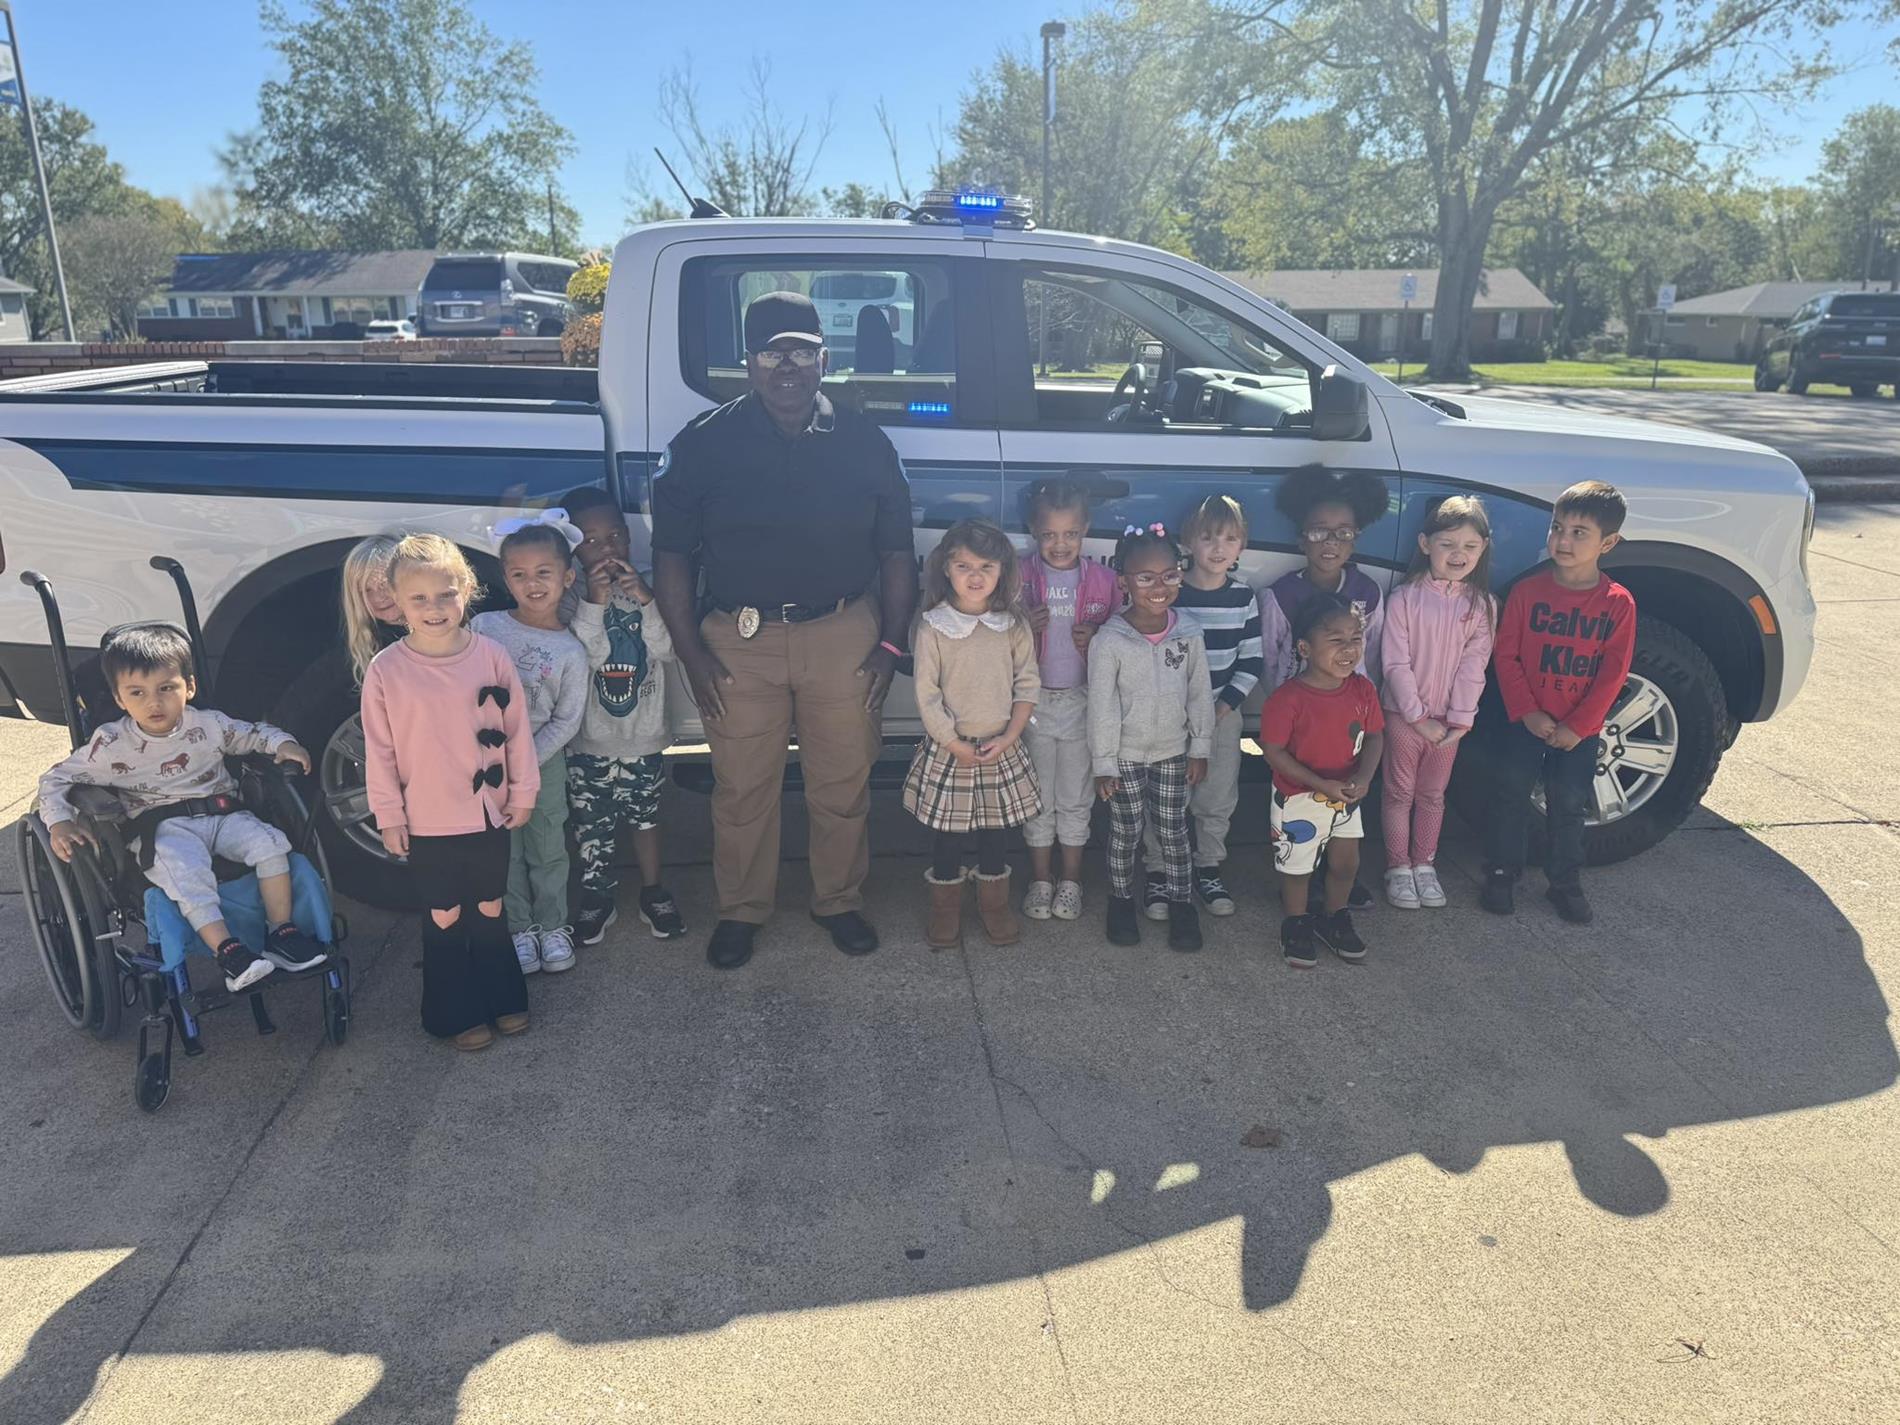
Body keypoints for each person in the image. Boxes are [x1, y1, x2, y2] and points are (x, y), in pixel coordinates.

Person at [651, 290, 915, 970]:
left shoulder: (864, 441)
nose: (788, 365)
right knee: (741, 789)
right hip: (738, 641)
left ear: (824, 359)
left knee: (843, 781)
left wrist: (890, 644)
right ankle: (741, 909)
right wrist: (689, 651)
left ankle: (840, 900)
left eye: (802, 350)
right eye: (773, 351)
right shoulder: (704, 445)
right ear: (749, 362)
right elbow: (672, 555)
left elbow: (895, 553)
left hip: (843, 633)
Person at [38, 623, 329, 994]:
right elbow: (56, 778)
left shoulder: (208, 724)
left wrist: (283, 744)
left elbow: (254, 733)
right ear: (119, 698)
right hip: (162, 828)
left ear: (188, 687)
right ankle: (229, 952)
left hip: (224, 814)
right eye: (137, 693)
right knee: (184, 869)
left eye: (166, 688)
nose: (153, 703)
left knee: (271, 844)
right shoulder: (110, 745)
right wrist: (59, 822)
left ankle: (281, 933)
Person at [360, 534, 539, 1051]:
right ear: (397, 602)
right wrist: (388, 815)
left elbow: (517, 731)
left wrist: (522, 790)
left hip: (488, 816)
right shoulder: (386, 671)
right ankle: (453, 1012)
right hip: (428, 820)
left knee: (488, 908)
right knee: (443, 917)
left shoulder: (492, 656)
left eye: (446, 594)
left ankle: (503, 998)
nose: (434, 608)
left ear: (466, 590)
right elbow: (381, 751)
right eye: (419, 599)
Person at [1483, 480, 1636, 925]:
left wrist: (1580, 726)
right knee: (1508, 796)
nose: (1562, 541)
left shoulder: (1617, 604)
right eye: (1557, 528)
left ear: (1608, 542)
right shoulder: (1527, 593)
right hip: (1525, 722)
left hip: (1577, 731)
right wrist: (1527, 711)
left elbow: (1613, 673)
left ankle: (1565, 881)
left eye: (1578, 533)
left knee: (1568, 805)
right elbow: (1506, 654)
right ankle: (1500, 871)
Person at [558, 485, 686, 947]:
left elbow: (669, 650)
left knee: (646, 816)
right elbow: (583, 658)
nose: (606, 548)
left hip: (644, 735)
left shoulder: (647, 587)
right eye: (590, 540)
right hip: (588, 737)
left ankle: (654, 891)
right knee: (593, 823)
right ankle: (597, 894)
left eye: (615, 536)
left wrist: (648, 601)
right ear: (571, 548)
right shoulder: (570, 596)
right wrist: (594, 601)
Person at [905, 520, 1042, 950]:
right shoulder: (933, 627)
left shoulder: (1013, 624)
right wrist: (952, 743)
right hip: (953, 749)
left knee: (995, 833)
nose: (975, 575)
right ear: (945, 569)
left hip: (1002, 745)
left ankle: (993, 905)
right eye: (963, 565)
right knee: (948, 835)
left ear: (1003, 571)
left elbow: (1027, 684)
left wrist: (1011, 734)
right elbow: (927, 696)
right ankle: (945, 908)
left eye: (986, 565)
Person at [1260, 465, 1390, 911]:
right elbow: (1274, 660)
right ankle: (1302, 874)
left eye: (1342, 533)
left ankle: (1338, 877)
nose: (1330, 543)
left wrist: (1357, 707)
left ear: (1356, 539)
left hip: (1349, 715)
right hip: (1301, 716)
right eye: (1318, 532)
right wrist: (1295, 707)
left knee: (1345, 797)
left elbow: (1368, 656)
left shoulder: (1368, 592)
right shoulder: (1280, 595)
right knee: (1300, 801)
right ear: (1301, 539)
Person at [471, 511, 588, 975]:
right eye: (519, 575)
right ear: (505, 579)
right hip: (487, 764)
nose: (533, 584)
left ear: (567, 577)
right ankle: (520, 930)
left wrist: (525, 762)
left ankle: (552, 927)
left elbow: (567, 720)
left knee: (547, 848)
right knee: (505, 851)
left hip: (543, 764)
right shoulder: (484, 628)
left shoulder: (571, 651)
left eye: (544, 573)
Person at [1088, 523, 1213, 953]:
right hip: (1123, 756)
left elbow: (1200, 695)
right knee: (1125, 831)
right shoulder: (1110, 640)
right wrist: (1103, 762)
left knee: (1174, 830)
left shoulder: (1189, 632)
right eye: (1145, 578)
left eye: (1169, 575)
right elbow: (1101, 706)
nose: (1159, 587)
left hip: (1172, 753)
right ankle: (1120, 902)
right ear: (1123, 582)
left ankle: (1182, 905)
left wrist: (1200, 746)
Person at [1141, 494, 1262, 921]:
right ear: (1187, 542)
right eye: (1208, 537)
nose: (1218, 548)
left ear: (1241, 546)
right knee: (1167, 796)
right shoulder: (1173, 594)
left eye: (1229, 539)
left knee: (1216, 794)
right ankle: (1159, 869)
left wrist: (1225, 706)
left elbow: (1251, 661)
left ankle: (1208, 865)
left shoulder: (1243, 597)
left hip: (1222, 717)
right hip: (1171, 717)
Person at [1380, 496, 1496, 909]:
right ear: (1425, 544)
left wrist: (1460, 720)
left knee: (1433, 795)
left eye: (1469, 546)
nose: (1458, 554)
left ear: (1483, 548)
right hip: (1403, 717)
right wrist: (1416, 716)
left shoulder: (1481, 606)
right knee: (1399, 792)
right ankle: (1397, 866)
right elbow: (1395, 662)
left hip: (1449, 726)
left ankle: (1424, 864)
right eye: (1448, 544)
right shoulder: (1404, 599)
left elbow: (1474, 665)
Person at [1260, 596, 1386, 969]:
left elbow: (1376, 736)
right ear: (1304, 648)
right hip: (1298, 798)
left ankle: (1334, 916)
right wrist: (1320, 784)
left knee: (1347, 865)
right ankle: (1296, 923)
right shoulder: (1288, 699)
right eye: (1335, 640)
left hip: (1347, 795)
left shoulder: (1363, 689)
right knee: (1297, 869)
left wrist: (1363, 777)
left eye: (1356, 638)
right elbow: (1273, 752)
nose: (1349, 649)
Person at [1017, 479, 1119, 922]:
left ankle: (1072, 881)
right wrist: (1020, 622)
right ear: (1033, 532)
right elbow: (993, 627)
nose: (1060, 544)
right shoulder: (1019, 577)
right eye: (1049, 535)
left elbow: (1124, 634)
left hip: (1082, 701)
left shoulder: (1103, 580)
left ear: (1086, 530)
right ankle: (1041, 880)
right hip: (1032, 701)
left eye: (1071, 534)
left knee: (1075, 797)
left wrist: (1097, 636)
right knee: (1037, 796)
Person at [341, 533, 406, 685]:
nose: (379, 597)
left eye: (384, 585)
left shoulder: (450, 626)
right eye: (366, 590)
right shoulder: (361, 649)